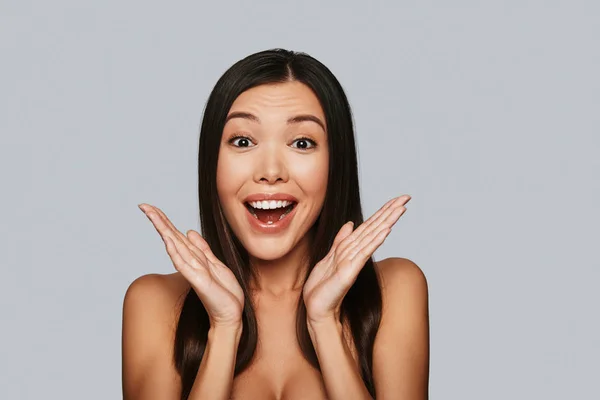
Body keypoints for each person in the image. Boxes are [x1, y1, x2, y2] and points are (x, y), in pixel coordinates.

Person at [122, 48, 429, 400]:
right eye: (243, 141)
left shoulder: (394, 291)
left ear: (335, 164)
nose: (270, 172)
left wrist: (324, 323)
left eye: (302, 143)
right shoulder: (155, 303)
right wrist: (224, 329)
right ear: (212, 163)